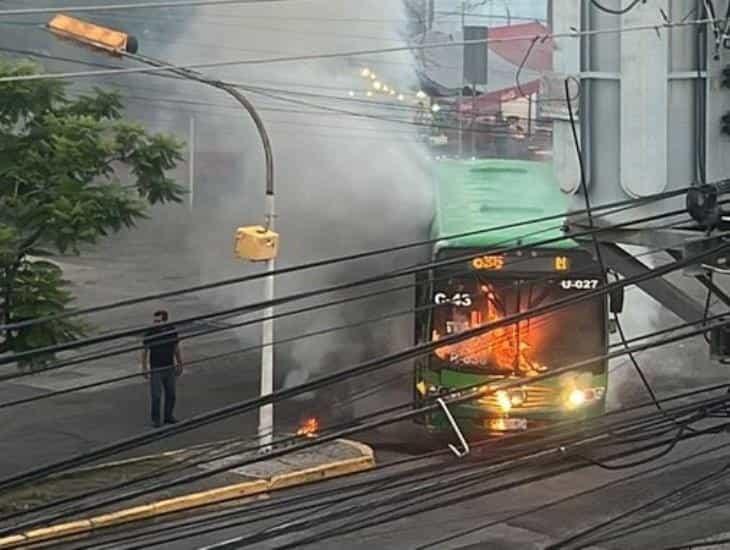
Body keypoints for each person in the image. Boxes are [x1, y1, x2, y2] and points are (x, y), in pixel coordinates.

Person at [141, 310, 183, 428]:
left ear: (165, 320)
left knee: (171, 394)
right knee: (156, 395)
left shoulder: (171, 331)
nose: (155, 323)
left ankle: (168, 416)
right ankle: (156, 419)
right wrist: (144, 368)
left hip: (169, 367)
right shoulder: (151, 333)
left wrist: (179, 363)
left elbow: (176, 348)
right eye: (155, 320)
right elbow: (145, 351)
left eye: (158, 321)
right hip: (156, 369)